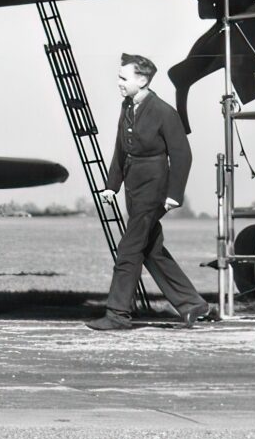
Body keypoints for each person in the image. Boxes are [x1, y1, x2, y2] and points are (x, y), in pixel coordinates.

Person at [87, 56, 212, 330]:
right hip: (133, 186)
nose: (119, 83)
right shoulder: (128, 106)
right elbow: (121, 149)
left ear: (142, 80)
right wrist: (112, 185)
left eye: (123, 78)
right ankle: (192, 304)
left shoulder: (164, 111)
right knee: (152, 251)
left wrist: (173, 195)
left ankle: (117, 314)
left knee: (129, 249)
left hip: (154, 188)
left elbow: (182, 155)